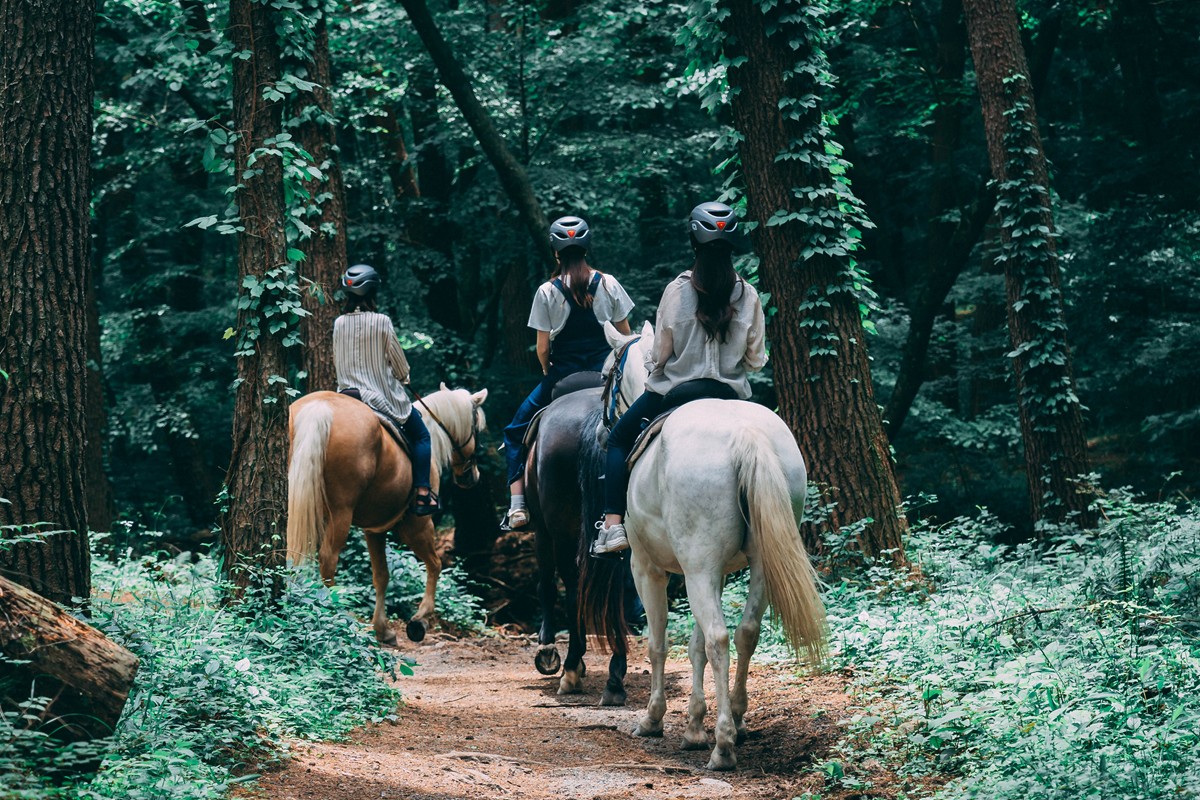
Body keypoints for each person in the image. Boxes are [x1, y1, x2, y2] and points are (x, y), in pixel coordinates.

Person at [593, 201, 767, 554]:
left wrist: (660, 363)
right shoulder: (748, 294)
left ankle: (612, 525)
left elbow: (660, 355)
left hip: (676, 394)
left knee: (618, 440)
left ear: (693, 242)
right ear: (733, 244)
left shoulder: (677, 291)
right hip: (731, 397)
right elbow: (756, 360)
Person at [502, 216, 635, 530]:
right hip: (605, 381)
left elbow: (543, 348)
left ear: (556, 252)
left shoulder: (547, 292)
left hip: (563, 377)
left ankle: (518, 505)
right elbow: (626, 338)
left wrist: (549, 372)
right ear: (587, 247)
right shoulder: (610, 283)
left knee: (513, 431)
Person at [333, 263, 439, 516]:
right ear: (372, 291)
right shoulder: (382, 321)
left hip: (345, 396)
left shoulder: (338, 323)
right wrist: (404, 377)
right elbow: (399, 365)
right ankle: (423, 493)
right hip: (378, 398)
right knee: (423, 436)